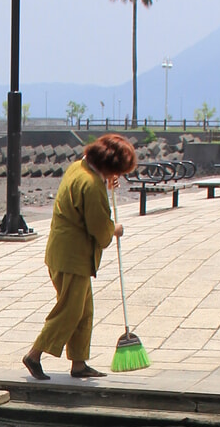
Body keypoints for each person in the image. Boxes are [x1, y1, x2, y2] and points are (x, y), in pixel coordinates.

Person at [22, 133, 136, 380]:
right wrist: (114, 229)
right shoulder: (91, 185)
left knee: (84, 310)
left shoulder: (79, 167)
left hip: (64, 252)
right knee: (70, 310)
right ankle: (34, 354)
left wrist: (106, 182)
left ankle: (79, 363)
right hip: (72, 256)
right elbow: (99, 228)